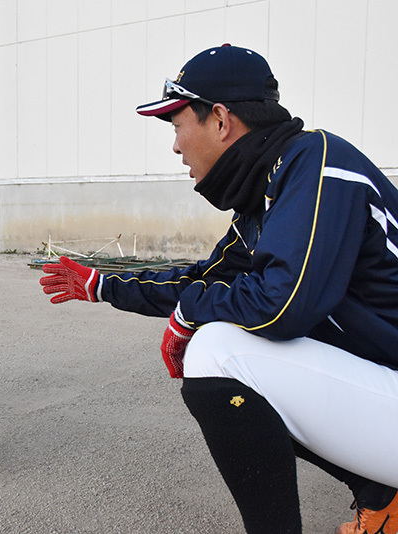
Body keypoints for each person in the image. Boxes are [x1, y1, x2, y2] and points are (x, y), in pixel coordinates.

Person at [39, 44, 398, 534]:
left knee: (215, 352)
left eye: (177, 124)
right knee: (229, 350)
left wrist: (191, 315)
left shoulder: (315, 163)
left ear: (221, 120)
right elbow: (206, 280)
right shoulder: (270, 190)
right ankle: (383, 497)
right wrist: (103, 285)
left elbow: (282, 304)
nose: (175, 145)